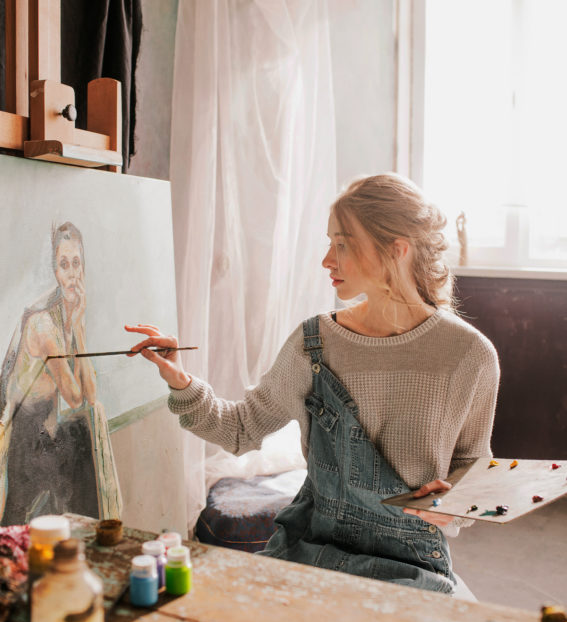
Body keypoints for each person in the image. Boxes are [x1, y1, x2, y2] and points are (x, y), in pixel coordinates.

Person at [126, 173, 499, 594]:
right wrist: (179, 379)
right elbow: (239, 429)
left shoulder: (470, 355)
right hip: (311, 551)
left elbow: (475, 470)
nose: (327, 260)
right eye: (329, 243)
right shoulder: (314, 343)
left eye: (343, 244)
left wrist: (451, 505)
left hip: (411, 568)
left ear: (396, 250)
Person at [0, 222, 122, 525]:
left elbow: (91, 399)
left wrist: (77, 326)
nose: (71, 273)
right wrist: (78, 325)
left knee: (83, 446)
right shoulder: (43, 324)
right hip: (25, 444)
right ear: (54, 271)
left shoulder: (66, 319)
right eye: (63, 264)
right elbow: (75, 395)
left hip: (46, 437)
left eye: (76, 263)